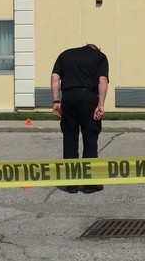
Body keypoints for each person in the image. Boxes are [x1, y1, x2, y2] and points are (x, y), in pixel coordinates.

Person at [51, 43, 109, 193]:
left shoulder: (65, 54)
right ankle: (90, 184)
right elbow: (102, 80)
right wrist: (101, 104)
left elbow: (55, 77)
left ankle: (71, 184)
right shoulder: (100, 57)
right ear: (95, 49)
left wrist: (56, 101)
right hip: (88, 98)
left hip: (69, 98)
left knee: (69, 139)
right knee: (90, 138)